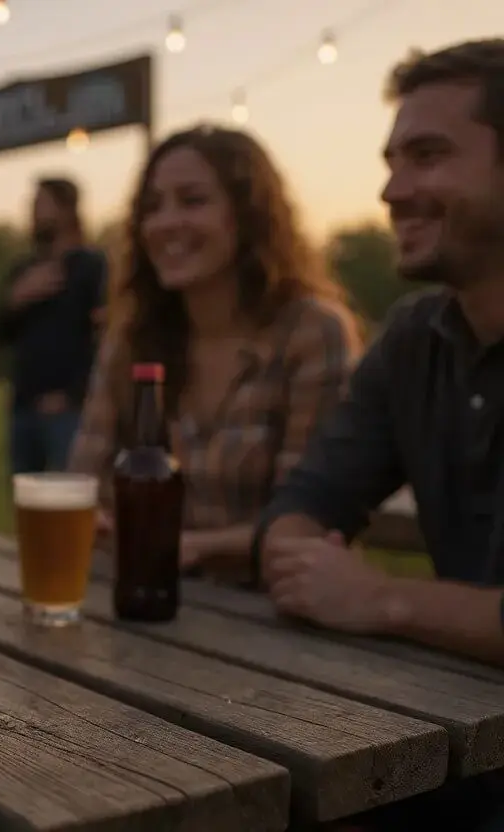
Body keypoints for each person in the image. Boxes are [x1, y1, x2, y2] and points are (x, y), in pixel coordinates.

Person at [256, 39, 504, 831]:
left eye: (428, 155)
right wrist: (298, 553)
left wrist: (382, 598)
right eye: (392, 161)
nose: (392, 190)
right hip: (458, 745)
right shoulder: (413, 336)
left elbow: (369, 595)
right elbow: (306, 498)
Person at [68, 124, 361, 586]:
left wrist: (186, 546)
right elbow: (84, 483)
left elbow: (306, 517)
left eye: (193, 200)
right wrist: (97, 519)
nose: (166, 224)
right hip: (142, 601)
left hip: (270, 617)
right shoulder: (131, 339)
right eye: (153, 207)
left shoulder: (311, 332)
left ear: (248, 216)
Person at [0, 178, 107, 475]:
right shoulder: (25, 269)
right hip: (23, 409)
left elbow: (104, 337)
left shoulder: (92, 267)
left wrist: (72, 394)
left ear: (67, 210)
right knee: (26, 504)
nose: (32, 212)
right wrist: (17, 299)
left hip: (69, 413)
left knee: (69, 502)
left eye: (41, 204)